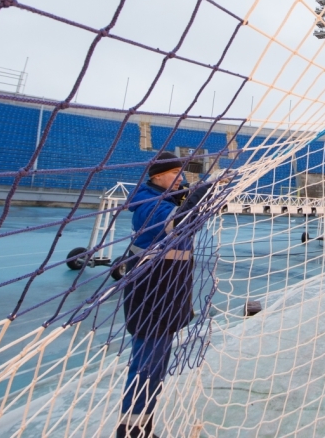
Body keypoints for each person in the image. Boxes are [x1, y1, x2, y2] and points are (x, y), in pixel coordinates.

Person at [117, 152, 212, 438]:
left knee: (154, 370)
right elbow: (180, 223)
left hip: (165, 298)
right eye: (175, 174)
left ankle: (141, 428)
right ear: (158, 177)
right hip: (151, 300)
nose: (181, 179)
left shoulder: (165, 200)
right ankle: (131, 432)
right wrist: (198, 198)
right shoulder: (150, 205)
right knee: (146, 369)